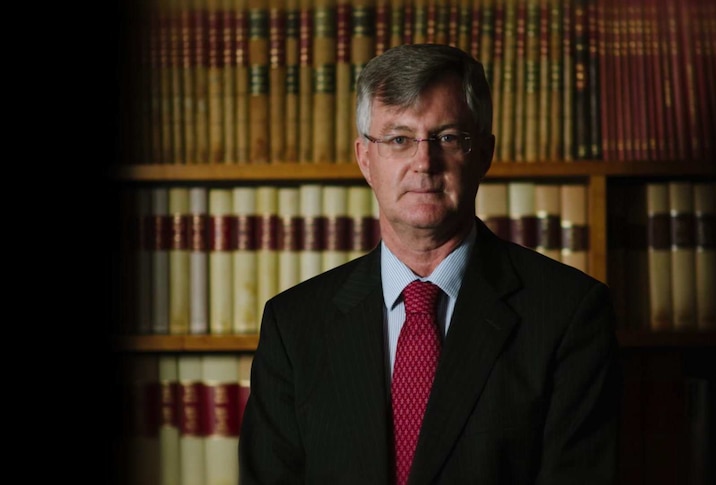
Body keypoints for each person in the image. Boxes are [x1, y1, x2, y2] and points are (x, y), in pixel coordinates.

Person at [238, 43, 622, 484]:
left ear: (483, 154)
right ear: (365, 159)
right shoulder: (293, 325)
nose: (424, 162)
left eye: (448, 137)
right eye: (399, 139)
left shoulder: (569, 314)